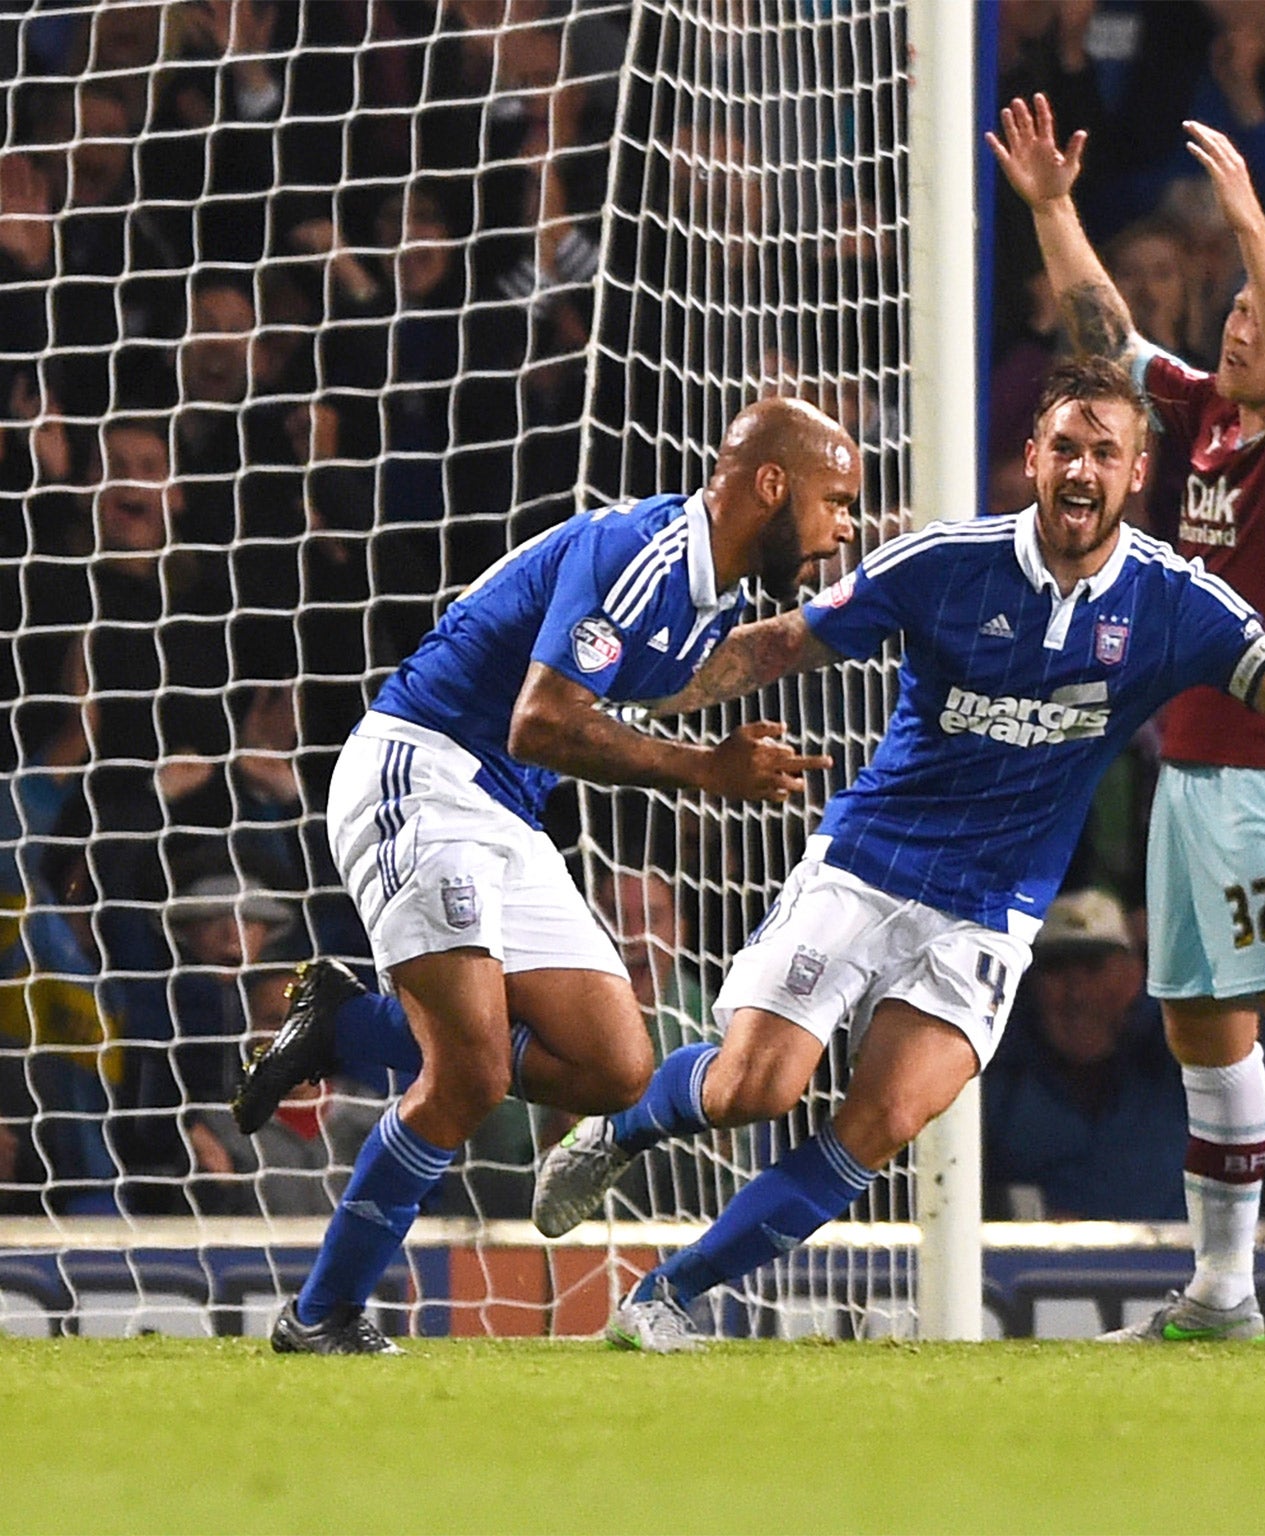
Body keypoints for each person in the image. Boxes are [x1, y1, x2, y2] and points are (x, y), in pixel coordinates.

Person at [528, 357, 1265, 1352]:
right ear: (1030, 456)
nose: (1081, 469)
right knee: (755, 1088)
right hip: (868, 863)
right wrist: (643, 691)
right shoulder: (941, 562)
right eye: (1064, 446)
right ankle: (622, 1131)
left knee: (879, 1124)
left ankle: (664, 1298)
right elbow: (778, 645)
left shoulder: (1170, 600)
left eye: (1105, 452)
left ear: (1138, 472)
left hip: (991, 912)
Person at [236, 396, 858, 1354]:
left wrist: (851, 620)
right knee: (473, 1073)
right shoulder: (640, 552)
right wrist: (703, 769)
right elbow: (541, 721)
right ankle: (322, 1316)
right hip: (423, 770)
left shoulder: (710, 591)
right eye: (836, 499)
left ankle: (349, 1025)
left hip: (503, 811)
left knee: (615, 1066)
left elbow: (691, 674)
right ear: (771, 485)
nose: (843, 526)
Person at [990, 94, 1265, 1346]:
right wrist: (1055, 213)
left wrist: (1249, 222)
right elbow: (1106, 332)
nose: (1236, 324)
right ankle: (1223, 1295)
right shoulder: (1208, 422)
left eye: (1257, 312)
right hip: (1189, 763)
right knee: (1197, 1025)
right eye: (1233, 308)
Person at [982, 888, 1186, 1222]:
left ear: (1134, 975)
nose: (1076, 994)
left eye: (1093, 968)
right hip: (1035, 1270)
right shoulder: (989, 1075)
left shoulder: (1182, 1053)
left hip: (1176, 1266)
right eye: (1056, 969)